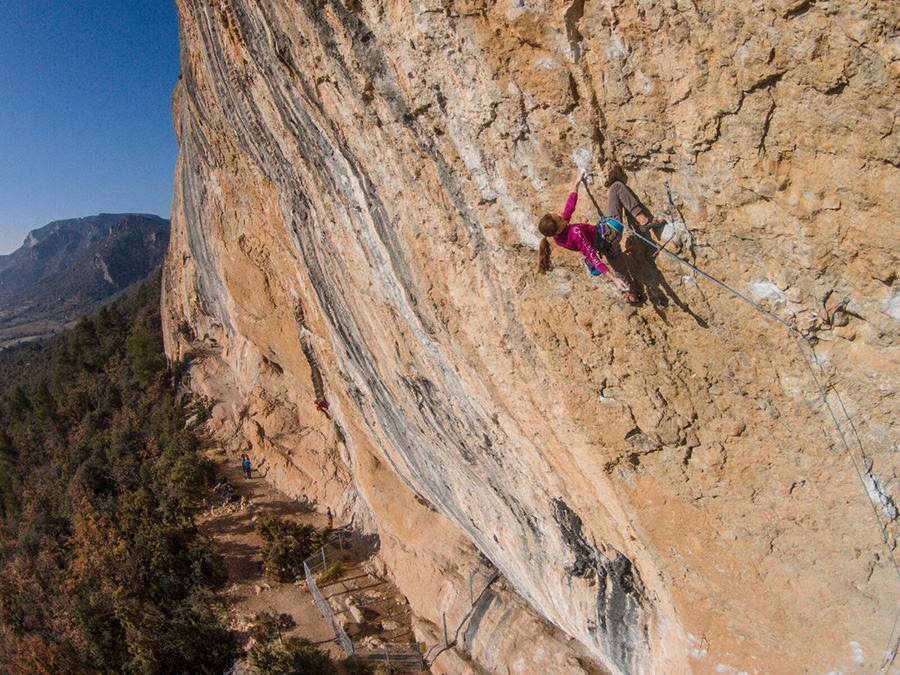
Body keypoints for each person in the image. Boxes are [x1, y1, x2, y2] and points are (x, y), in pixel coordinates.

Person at [537, 169, 665, 305]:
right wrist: (613, 279)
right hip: (610, 233)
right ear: (558, 229)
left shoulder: (558, 237)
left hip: (606, 248)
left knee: (621, 270)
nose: (561, 216)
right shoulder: (575, 232)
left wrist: (576, 183)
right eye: (558, 218)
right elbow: (592, 257)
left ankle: (632, 295)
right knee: (616, 188)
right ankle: (643, 220)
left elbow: (569, 208)